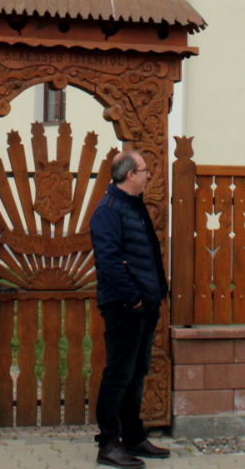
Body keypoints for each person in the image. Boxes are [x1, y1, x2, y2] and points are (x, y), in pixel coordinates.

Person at [89, 148, 170, 469]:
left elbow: (148, 254)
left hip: (144, 305)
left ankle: (133, 437)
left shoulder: (134, 206)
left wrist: (157, 292)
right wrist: (133, 299)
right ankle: (109, 444)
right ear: (129, 174)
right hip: (124, 307)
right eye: (144, 170)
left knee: (136, 373)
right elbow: (109, 262)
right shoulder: (108, 211)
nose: (149, 174)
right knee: (118, 374)